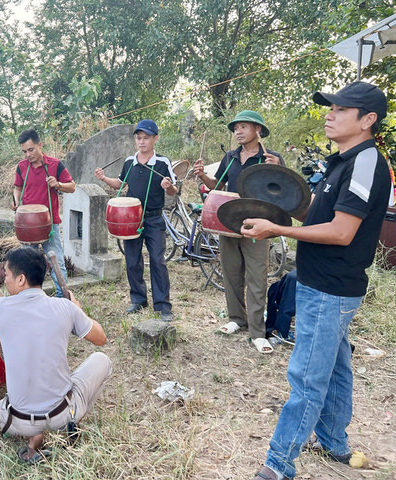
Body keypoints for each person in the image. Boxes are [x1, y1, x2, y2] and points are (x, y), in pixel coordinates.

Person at [242, 82, 391, 480]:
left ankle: (278, 465)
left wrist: (278, 230)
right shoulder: (341, 161)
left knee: (307, 377)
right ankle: (332, 440)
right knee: (337, 367)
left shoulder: (367, 162)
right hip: (319, 282)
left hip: (330, 287)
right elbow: (318, 215)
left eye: (341, 109)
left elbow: (342, 231)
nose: (330, 114)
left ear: (367, 120)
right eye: (331, 107)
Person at [0, 246, 112, 464]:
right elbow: (101, 339)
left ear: (21, 279)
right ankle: (69, 424)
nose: (4, 280)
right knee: (102, 360)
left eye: (6, 274)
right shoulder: (64, 308)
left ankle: (35, 437)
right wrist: (78, 310)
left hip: (15, 421)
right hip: (61, 414)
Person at [193, 110, 284, 354]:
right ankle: (236, 318)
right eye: (236, 128)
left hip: (258, 224)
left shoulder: (270, 157)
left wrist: (279, 170)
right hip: (229, 221)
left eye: (243, 127)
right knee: (231, 272)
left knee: (257, 276)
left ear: (258, 130)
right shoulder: (231, 157)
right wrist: (203, 175)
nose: (238, 132)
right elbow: (218, 186)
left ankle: (257, 331)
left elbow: (285, 190)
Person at [94, 119, 177, 318]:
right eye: (138, 138)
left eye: (146, 138)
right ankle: (138, 300)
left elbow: (174, 190)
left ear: (155, 139)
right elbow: (120, 184)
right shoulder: (130, 162)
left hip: (154, 219)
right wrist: (105, 178)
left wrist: (169, 187)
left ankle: (163, 305)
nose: (141, 142)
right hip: (130, 220)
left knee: (157, 260)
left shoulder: (163, 163)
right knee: (132, 261)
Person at [12, 129, 76, 298]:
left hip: (49, 223)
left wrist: (58, 185)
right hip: (27, 223)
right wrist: (16, 201)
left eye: (31, 150)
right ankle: (29, 296)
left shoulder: (55, 165)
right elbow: (17, 188)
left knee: (56, 260)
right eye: (24, 151)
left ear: (40, 145)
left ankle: (62, 296)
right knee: (26, 262)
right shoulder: (21, 166)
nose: (28, 154)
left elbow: (72, 186)